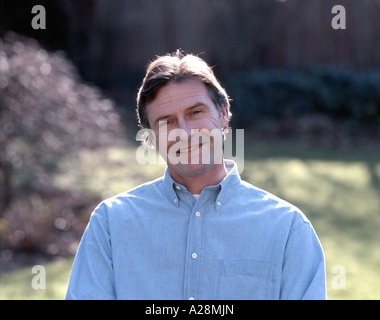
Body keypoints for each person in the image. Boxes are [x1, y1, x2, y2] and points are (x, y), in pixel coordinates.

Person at [65, 51, 326, 300]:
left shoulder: (287, 229)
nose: (185, 133)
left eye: (196, 112)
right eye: (167, 122)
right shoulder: (111, 224)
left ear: (223, 115)